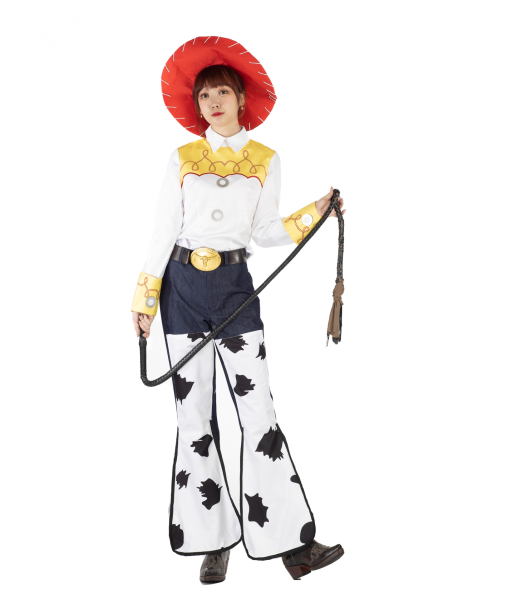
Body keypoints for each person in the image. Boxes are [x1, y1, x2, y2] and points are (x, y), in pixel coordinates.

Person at [131, 37, 347, 583]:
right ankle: (213, 540)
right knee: (193, 416)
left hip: (234, 290)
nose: (213, 103)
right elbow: (162, 229)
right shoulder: (182, 159)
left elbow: (266, 231)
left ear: (241, 99)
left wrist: (315, 212)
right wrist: (145, 298)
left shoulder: (266, 159)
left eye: (222, 92)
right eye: (204, 96)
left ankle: (293, 546)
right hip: (180, 291)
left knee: (258, 413)